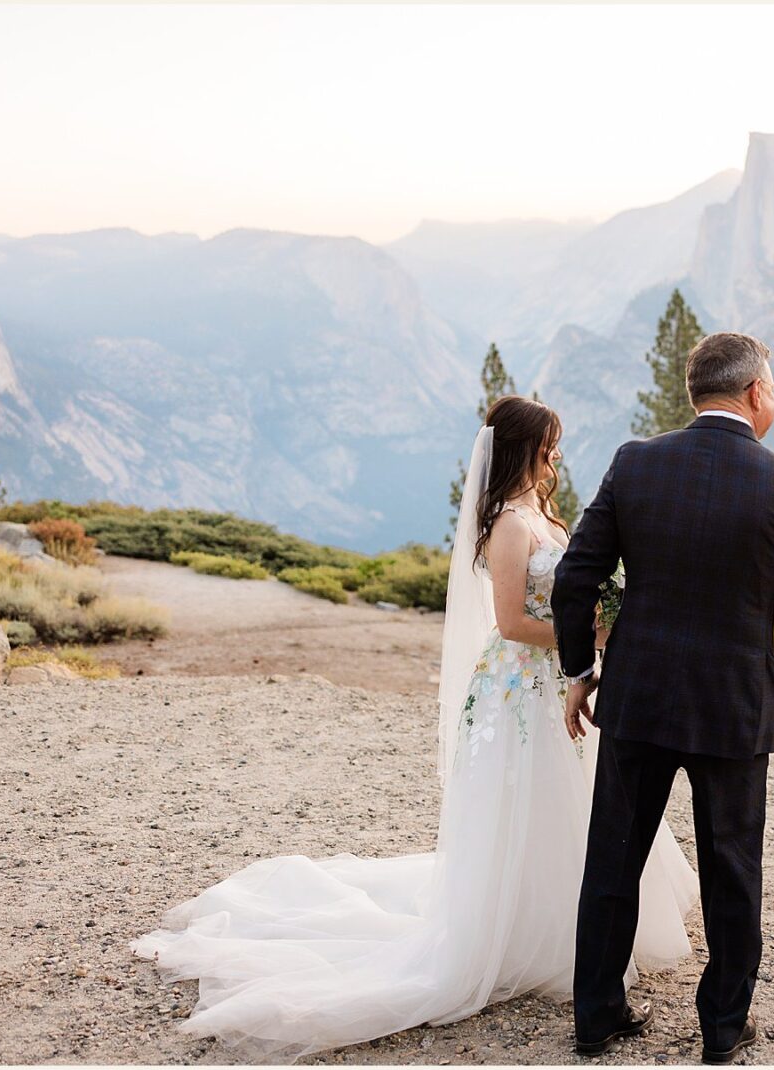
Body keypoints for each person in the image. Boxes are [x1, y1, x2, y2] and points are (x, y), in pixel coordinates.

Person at [131, 396, 696, 1060]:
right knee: (530, 804)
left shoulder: (543, 514)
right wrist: (593, 632)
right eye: (551, 444)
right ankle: (524, 937)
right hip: (519, 686)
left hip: (554, 683)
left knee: (571, 807)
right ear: (525, 449)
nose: (558, 455)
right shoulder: (510, 527)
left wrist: (597, 622)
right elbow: (512, 623)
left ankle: (574, 930)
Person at [552, 332, 774, 1063]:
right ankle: (722, 1027)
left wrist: (579, 671)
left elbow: (573, 579)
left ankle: (596, 1017)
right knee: (732, 868)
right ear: (753, 394)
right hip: (732, 709)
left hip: (640, 699)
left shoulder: (635, 462)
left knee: (613, 860)